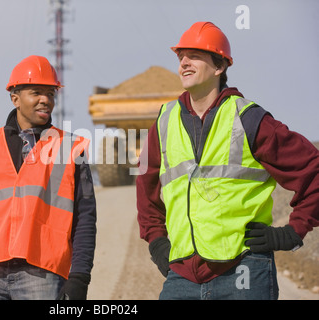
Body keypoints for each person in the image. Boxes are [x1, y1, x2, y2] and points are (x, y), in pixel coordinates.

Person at [136, 21, 319, 300]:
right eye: (180, 56)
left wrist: (292, 233)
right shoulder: (163, 122)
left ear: (219, 66)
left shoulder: (250, 119)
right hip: (182, 275)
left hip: (245, 269)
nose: (184, 62)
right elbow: (146, 191)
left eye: (194, 55)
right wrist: (156, 242)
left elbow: (313, 170)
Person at [0, 55, 97, 300]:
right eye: (36, 92)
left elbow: (85, 217)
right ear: (15, 97)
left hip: (42, 275)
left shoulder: (70, 148)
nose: (46, 100)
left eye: (51, 93)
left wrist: (80, 277)